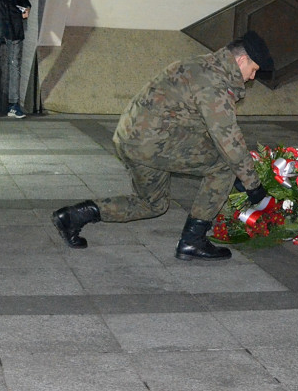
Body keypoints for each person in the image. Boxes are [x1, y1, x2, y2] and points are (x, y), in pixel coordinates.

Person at [51, 31, 275, 260]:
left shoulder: (199, 64)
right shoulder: (214, 82)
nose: (252, 77)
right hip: (153, 143)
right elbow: (229, 139)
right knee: (225, 165)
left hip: (133, 138)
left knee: (152, 204)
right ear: (241, 61)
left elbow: (200, 125)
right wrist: (254, 187)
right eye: (254, 69)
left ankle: (74, 216)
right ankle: (193, 241)